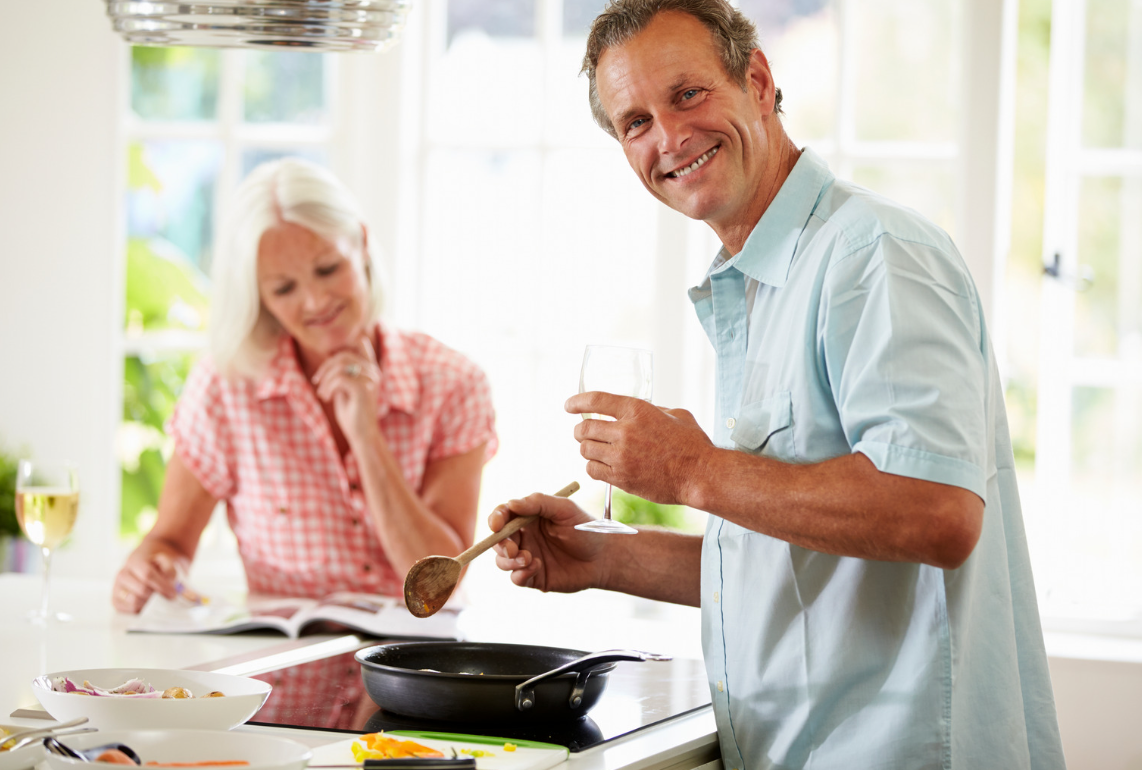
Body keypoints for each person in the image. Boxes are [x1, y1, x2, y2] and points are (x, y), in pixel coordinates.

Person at [490, 1, 1066, 768]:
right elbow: (795, 565)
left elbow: (938, 515)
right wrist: (598, 559)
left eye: (688, 95)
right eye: (635, 122)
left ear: (758, 81)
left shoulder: (874, 253)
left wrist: (690, 470)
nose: (668, 138)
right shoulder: (758, 282)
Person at [113, 158, 497, 610]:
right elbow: (169, 544)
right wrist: (148, 571)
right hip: (284, 669)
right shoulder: (226, 386)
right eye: (283, 288)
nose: (315, 301)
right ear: (258, 296)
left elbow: (442, 579)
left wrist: (366, 439)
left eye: (328, 268)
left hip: (415, 670)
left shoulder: (454, 383)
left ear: (361, 243)